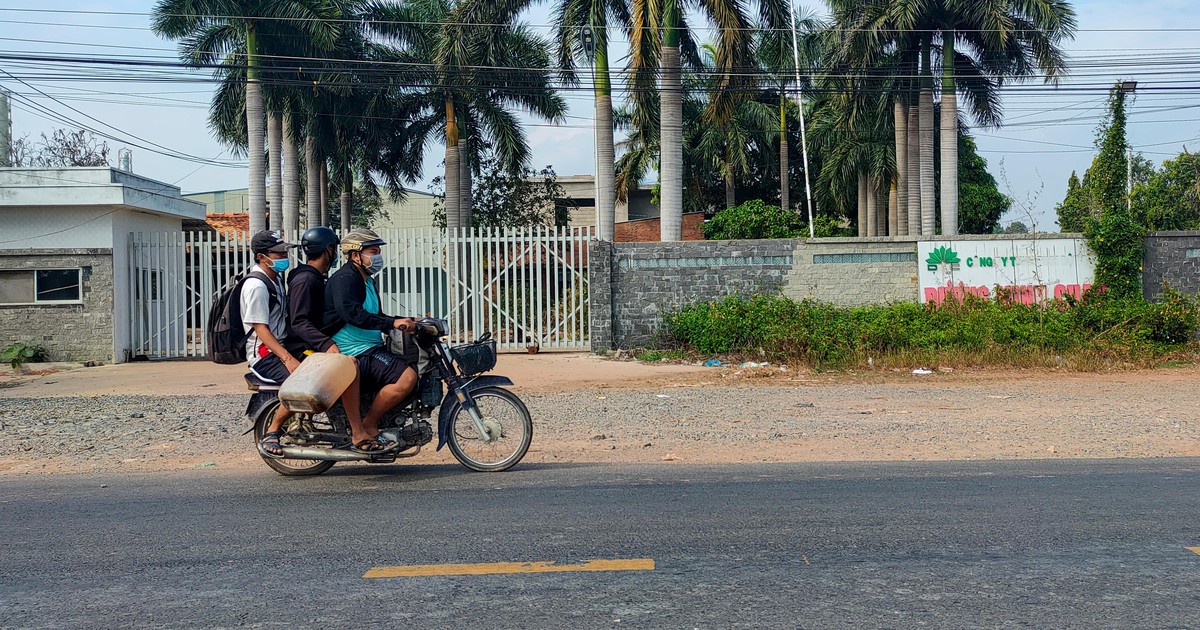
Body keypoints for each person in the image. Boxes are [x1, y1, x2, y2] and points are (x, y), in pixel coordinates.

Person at [284, 226, 387, 454]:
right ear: (329, 250)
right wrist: (327, 344)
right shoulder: (306, 281)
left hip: (315, 343)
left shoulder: (318, 278)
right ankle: (358, 431)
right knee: (349, 367)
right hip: (305, 348)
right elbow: (300, 322)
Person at [324, 229, 418, 447]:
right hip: (354, 350)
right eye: (373, 252)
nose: (377, 257)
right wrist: (390, 324)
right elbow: (352, 314)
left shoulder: (366, 280)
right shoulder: (346, 279)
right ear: (356, 255)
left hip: (369, 346)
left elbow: (376, 317)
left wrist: (409, 320)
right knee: (407, 378)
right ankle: (369, 424)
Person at [243, 230, 301, 458]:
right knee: (303, 385)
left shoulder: (274, 279)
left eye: (284, 251)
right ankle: (272, 431)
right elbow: (260, 328)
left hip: (279, 346)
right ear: (261, 256)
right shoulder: (257, 286)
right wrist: (288, 358)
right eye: (278, 253)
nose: (283, 256)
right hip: (264, 354)